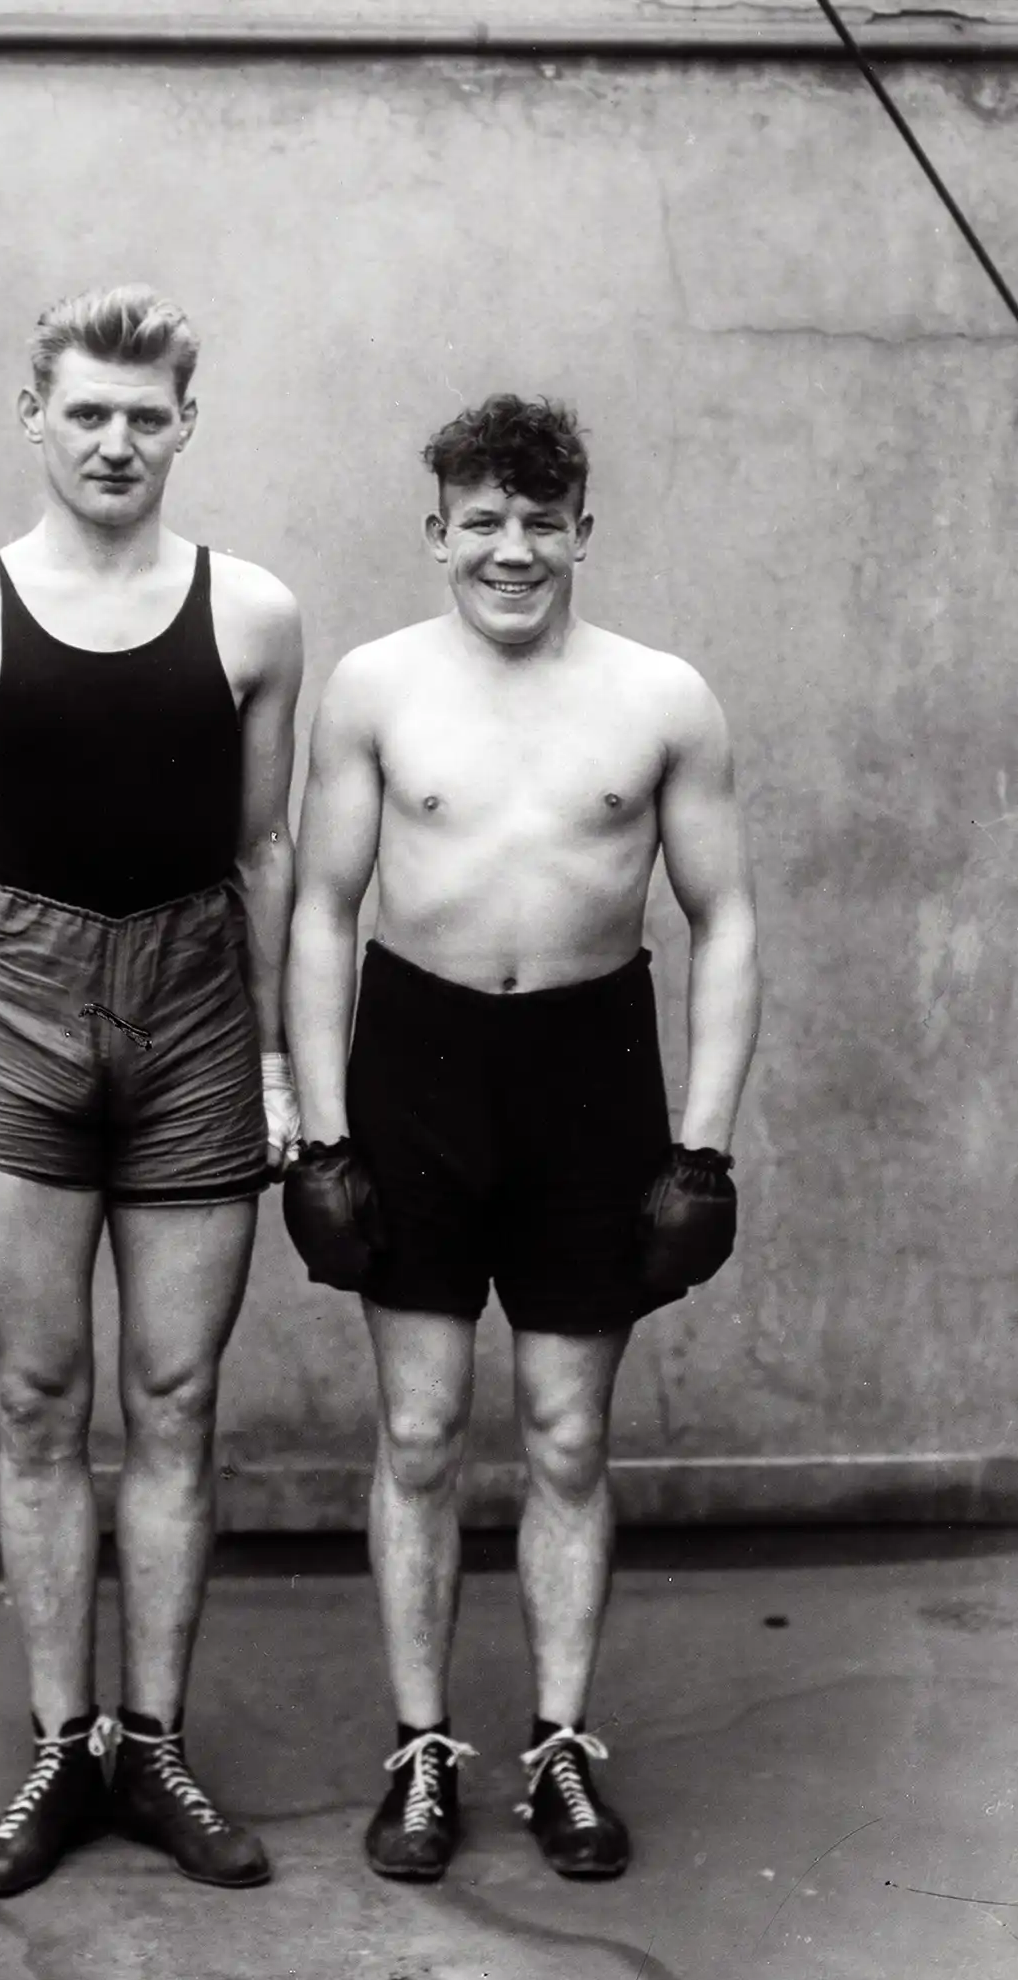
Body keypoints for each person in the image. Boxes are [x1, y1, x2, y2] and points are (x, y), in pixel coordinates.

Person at [0, 285, 303, 1895]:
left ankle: (154, 1742)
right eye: (86, 411)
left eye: (145, 412)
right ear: (31, 414)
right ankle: (61, 1748)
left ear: (187, 422)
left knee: (177, 1399)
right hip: (18, 1007)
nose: (115, 439)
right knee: (42, 1397)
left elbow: (260, 855)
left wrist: (275, 1060)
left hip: (190, 1008)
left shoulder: (251, 612)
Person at [283, 393, 760, 1884]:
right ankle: (421, 1750)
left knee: (566, 1432)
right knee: (419, 1430)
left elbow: (724, 919)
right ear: (436, 532)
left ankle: (558, 1747)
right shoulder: (370, 688)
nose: (510, 548)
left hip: (588, 1071)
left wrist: (702, 1150)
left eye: (538, 522)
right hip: (416, 1065)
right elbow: (317, 911)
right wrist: (319, 1131)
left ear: (580, 533)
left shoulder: (661, 697)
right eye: (480, 520)